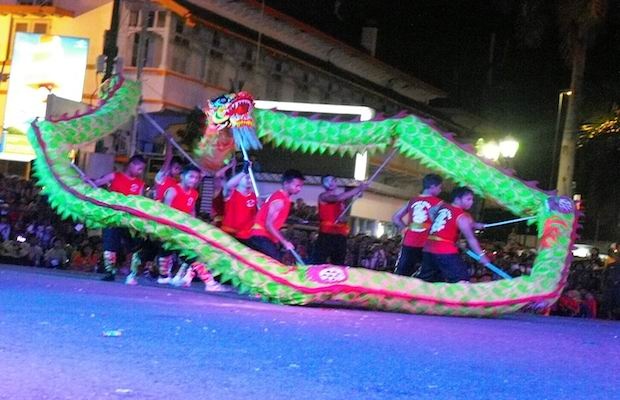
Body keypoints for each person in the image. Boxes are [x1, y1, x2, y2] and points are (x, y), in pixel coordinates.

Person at [160, 165, 228, 291]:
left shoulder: (194, 193)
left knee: (193, 254)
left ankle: (207, 282)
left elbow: (191, 212)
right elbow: (164, 212)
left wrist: (194, 227)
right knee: (161, 254)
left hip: (184, 231)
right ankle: (208, 282)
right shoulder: (173, 190)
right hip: (170, 229)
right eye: (191, 176)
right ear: (182, 177)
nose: (194, 180)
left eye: (197, 178)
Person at [418, 186, 489, 283]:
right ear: (457, 199)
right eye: (468, 199)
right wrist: (481, 255)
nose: (471, 202)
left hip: (428, 248)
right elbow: (471, 239)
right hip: (444, 250)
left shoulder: (442, 206)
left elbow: (432, 212)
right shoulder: (462, 216)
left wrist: (474, 225)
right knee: (461, 279)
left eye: (472, 199)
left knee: (429, 280)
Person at [93, 155, 146, 281]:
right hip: (112, 217)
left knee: (134, 245)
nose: (141, 172)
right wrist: (89, 182)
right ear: (132, 165)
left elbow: (139, 202)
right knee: (110, 244)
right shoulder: (114, 176)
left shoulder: (140, 184)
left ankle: (132, 272)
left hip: (129, 220)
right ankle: (110, 272)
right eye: (140, 168)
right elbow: (96, 183)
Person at [247, 169, 305, 261]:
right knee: (275, 264)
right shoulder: (279, 200)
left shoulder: (280, 197)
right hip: (260, 236)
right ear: (286, 183)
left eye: (301, 186)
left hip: (264, 236)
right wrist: (284, 242)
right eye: (297, 185)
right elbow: (269, 224)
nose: (299, 189)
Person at [392, 173, 443, 276]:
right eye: (440, 187)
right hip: (427, 243)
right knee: (428, 275)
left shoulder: (412, 201)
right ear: (433, 187)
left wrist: (407, 228)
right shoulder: (439, 203)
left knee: (402, 274)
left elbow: (395, 218)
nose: (440, 190)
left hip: (409, 241)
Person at [311, 175, 367, 265]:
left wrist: (343, 219)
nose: (330, 183)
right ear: (323, 184)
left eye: (333, 180)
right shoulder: (323, 196)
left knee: (338, 263)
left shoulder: (340, 202)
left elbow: (344, 217)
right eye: (327, 181)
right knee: (319, 261)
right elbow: (337, 198)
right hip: (327, 234)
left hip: (340, 236)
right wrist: (358, 189)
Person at [220, 160, 257, 244]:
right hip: (229, 234)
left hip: (245, 236)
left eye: (251, 178)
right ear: (239, 178)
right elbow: (228, 186)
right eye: (247, 177)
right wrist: (244, 172)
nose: (249, 180)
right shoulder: (231, 193)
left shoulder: (253, 196)